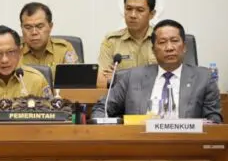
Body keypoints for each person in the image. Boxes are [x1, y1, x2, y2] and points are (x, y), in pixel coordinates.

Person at [92, 19, 222, 124]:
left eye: (175, 41)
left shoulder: (204, 78)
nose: (169, 47)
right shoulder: (132, 77)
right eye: (162, 42)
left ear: (184, 47)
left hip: (186, 146)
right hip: (139, 144)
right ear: (154, 49)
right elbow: (102, 108)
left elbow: (214, 120)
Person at [97, 0, 157, 87]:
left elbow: (167, 77)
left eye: (140, 10)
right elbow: (102, 81)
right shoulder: (111, 41)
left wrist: (119, 76)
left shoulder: (162, 41)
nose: (132, 15)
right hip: (121, 100)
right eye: (128, 9)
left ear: (151, 14)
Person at [20, 2, 79, 77]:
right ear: (21, 28)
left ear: (50, 27)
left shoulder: (64, 49)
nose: (34, 32)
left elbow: (75, 81)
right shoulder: (14, 53)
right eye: (28, 27)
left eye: (40, 26)